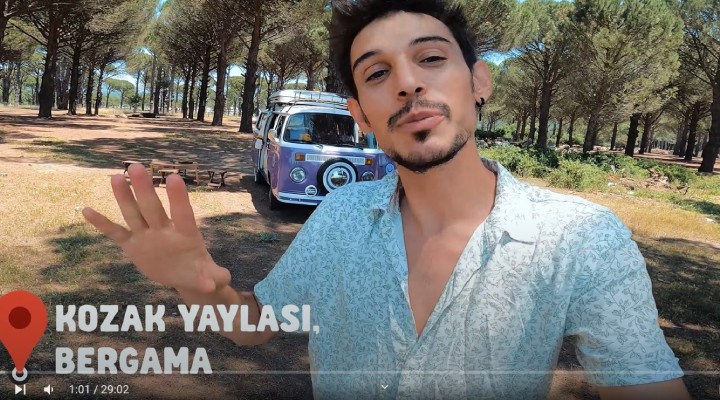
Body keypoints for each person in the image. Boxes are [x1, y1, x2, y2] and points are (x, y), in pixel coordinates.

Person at [82, 0, 690, 399]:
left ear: (479, 82)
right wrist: (195, 285)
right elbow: (254, 329)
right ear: (361, 115)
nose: (407, 82)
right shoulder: (340, 216)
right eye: (377, 73)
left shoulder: (583, 238)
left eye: (431, 58)